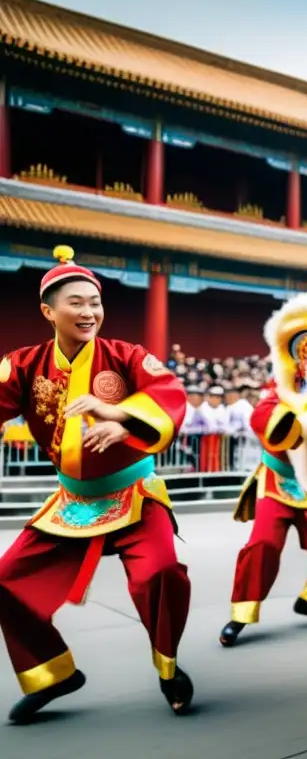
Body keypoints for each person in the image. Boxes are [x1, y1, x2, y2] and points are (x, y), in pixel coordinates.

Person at [0, 246, 192, 723]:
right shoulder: (23, 366)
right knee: (6, 580)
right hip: (72, 503)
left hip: (133, 496)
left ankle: (168, 667)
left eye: (95, 303)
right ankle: (53, 672)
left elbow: (168, 394)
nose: (89, 313)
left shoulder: (126, 356)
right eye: (76, 303)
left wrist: (123, 419)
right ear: (49, 311)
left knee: (160, 572)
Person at [219, 286, 307, 648]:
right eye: (306, 348)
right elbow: (262, 417)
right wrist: (292, 426)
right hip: (277, 481)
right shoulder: (279, 386)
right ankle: (241, 615)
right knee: (263, 543)